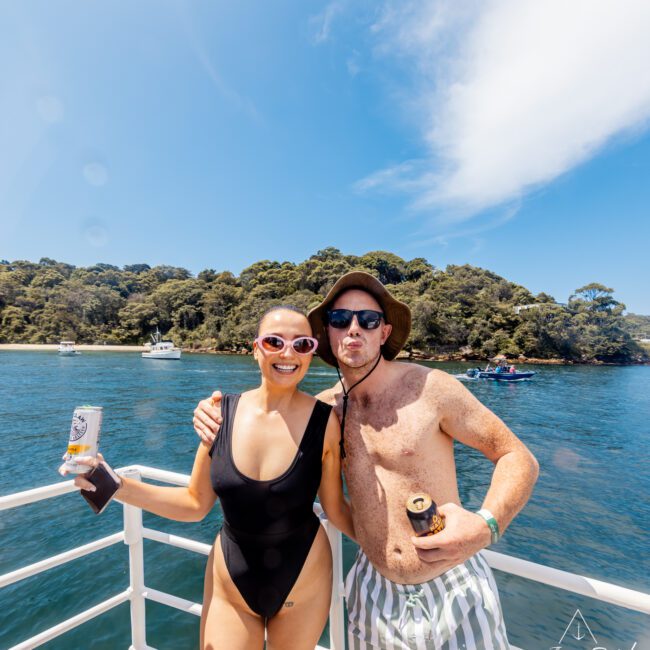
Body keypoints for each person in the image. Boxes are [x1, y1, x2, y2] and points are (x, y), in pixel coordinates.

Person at [193, 272, 540, 650]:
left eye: (368, 320)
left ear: (384, 332)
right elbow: (266, 418)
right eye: (341, 320)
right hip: (374, 594)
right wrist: (213, 412)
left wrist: (486, 524)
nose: (354, 329)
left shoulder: (432, 389)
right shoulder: (327, 413)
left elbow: (515, 455)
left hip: (453, 583)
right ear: (328, 334)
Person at [61, 305, 355, 650]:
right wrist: (114, 485)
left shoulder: (326, 423)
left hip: (304, 581)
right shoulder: (219, 415)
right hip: (231, 581)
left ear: (311, 353)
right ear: (256, 348)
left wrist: (392, 550)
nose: (288, 353)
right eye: (275, 341)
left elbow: (335, 509)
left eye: (302, 344)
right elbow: (194, 504)